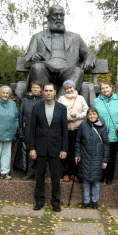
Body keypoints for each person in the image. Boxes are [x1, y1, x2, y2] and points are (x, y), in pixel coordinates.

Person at [24, 5, 96, 97]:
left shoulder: (75, 37)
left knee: (78, 71)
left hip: (67, 71)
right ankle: (41, 103)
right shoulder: (37, 37)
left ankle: (60, 105)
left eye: (61, 15)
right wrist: (33, 57)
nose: (59, 18)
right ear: (49, 17)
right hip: (45, 69)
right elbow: (28, 55)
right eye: (55, 15)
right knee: (37, 67)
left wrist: (89, 59)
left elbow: (88, 53)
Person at [29, 83, 68, 212]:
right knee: (39, 175)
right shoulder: (37, 107)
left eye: (51, 90)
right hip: (40, 148)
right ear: (43, 92)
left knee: (56, 176)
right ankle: (39, 201)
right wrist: (32, 148)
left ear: (55, 92)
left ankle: (55, 202)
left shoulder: (62, 108)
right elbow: (32, 129)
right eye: (46, 91)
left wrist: (64, 149)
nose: (48, 93)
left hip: (56, 148)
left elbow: (64, 131)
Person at [75, 107, 109, 209]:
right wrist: (77, 154)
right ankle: (86, 201)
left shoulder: (102, 126)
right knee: (85, 180)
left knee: (96, 181)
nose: (92, 116)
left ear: (97, 115)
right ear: (87, 116)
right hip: (85, 155)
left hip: (98, 156)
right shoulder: (83, 125)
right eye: (90, 114)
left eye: (94, 114)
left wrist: (105, 160)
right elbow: (78, 141)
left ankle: (94, 201)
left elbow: (106, 144)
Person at [91, 81, 118, 185]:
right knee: (99, 155)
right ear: (100, 90)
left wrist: (117, 124)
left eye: (107, 87)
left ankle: (110, 177)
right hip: (101, 133)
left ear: (111, 88)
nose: (105, 90)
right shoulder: (96, 101)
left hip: (114, 133)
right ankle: (100, 176)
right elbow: (93, 116)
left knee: (112, 156)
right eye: (103, 88)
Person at [58, 80, 88, 182]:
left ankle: (75, 173)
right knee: (65, 150)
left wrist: (78, 117)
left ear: (74, 88)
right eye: (67, 88)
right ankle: (65, 173)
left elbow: (86, 111)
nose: (69, 90)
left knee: (76, 151)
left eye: (71, 87)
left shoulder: (80, 98)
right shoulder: (61, 99)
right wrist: (64, 118)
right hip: (65, 130)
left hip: (78, 129)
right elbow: (57, 112)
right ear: (64, 89)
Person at [19, 81, 45, 180]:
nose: (35, 89)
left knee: (40, 151)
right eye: (34, 87)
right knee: (29, 151)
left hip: (41, 130)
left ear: (40, 89)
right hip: (28, 130)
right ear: (31, 89)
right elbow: (21, 115)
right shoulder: (25, 101)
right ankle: (29, 172)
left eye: (37, 88)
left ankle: (38, 172)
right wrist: (20, 130)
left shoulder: (44, 100)